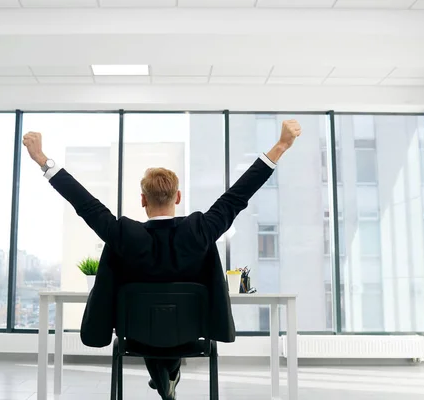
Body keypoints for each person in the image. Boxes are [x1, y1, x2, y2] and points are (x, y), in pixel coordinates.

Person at [22, 119, 301, 400]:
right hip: (190, 333)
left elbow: (83, 202)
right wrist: (281, 146)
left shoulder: (123, 234)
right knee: (171, 318)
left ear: (143, 200)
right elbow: (239, 194)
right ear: (177, 197)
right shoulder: (200, 230)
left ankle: (164, 375)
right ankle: (168, 373)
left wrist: (43, 160)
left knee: (150, 317)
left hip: (137, 334)